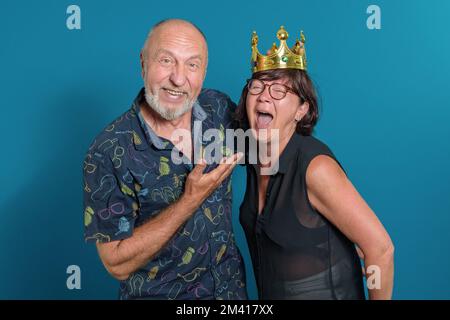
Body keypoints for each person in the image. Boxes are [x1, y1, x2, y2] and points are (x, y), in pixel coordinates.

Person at [83, 19, 246, 300]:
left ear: (204, 72)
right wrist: (190, 199)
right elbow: (116, 264)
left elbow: (265, 152)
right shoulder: (107, 150)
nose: (179, 79)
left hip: (231, 294)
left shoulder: (218, 107)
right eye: (166, 61)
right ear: (143, 63)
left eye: (192, 65)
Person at [236, 26, 394, 300]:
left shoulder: (316, 168)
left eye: (279, 90)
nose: (263, 96)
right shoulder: (252, 154)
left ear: (301, 110)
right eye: (257, 86)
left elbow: (380, 249)